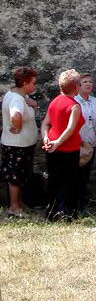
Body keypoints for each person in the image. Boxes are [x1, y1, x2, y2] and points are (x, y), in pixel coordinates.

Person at [41, 69, 85, 220]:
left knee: (53, 180)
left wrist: (46, 138)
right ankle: (68, 213)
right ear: (75, 87)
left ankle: (51, 213)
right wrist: (58, 142)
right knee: (70, 181)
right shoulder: (75, 106)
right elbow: (71, 129)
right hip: (68, 148)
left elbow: (45, 124)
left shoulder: (55, 102)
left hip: (51, 147)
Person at [1, 67, 39, 218]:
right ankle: (14, 207)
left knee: (20, 175)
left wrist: (32, 103)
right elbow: (16, 115)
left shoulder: (17, 95)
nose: (35, 86)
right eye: (33, 83)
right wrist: (17, 126)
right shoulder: (17, 99)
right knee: (15, 177)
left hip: (21, 144)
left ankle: (18, 204)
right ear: (25, 83)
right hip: (17, 145)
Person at [75, 73, 96, 213]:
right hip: (76, 145)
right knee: (74, 175)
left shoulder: (95, 102)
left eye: (90, 82)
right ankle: (74, 205)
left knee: (84, 176)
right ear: (78, 85)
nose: (88, 84)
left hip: (90, 145)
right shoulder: (74, 101)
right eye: (84, 82)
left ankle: (82, 205)